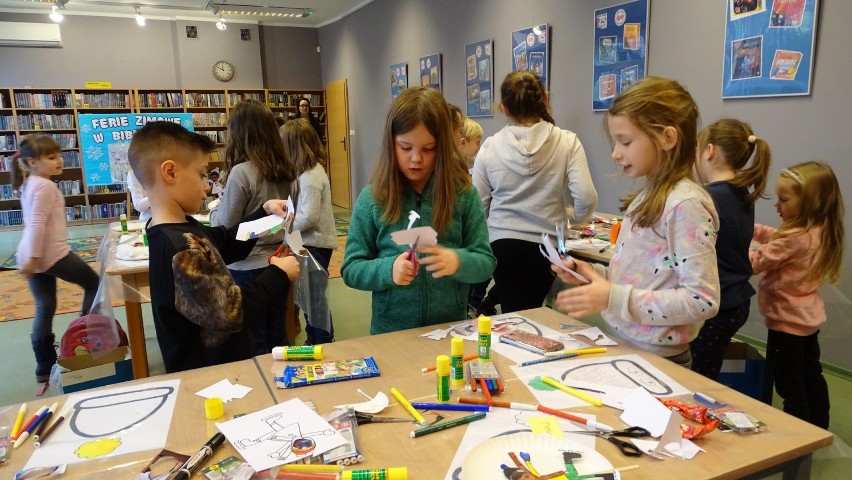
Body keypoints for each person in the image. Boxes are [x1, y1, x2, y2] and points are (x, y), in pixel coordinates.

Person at [553, 77, 720, 367]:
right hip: (624, 342)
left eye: (626, 141)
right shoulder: (648, 196)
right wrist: (591, 274)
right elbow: (642, 276)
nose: (616, 153)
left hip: (658, 359)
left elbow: (702, 300)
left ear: (667, 138)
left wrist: (613, 298)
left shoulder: (686, 204)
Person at [128, 121, 299, 373]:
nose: (207, 186)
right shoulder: (179, 249)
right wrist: (278, 274)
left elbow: (225, 242)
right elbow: (230, 311)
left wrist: (264, 216)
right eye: (201, 175)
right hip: (209, 376)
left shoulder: (181, 226)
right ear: (170, 173)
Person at [341, 87, 496, 334]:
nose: (416, 159)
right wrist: (388, 269)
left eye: (428, 148)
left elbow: (486, 262)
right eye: (405, 147)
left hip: (449, 332)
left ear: (443, 147)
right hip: (391, 334)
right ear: (391, 144)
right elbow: (351, 268)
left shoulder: (464, 194)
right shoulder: (372, 198)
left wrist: (459, 261)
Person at [472, 71, 598, 314]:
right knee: (530, 312)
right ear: (545, 100)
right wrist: (574, 219)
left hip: (503, 243)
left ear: (504, 108)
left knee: (518, 315)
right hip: (549, 245)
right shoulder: (567, 141)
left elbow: (479, 205)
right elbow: (586, 196)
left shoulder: (490, 146)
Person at [750, 161, 844, 429]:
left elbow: (757, 262)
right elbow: (778, 236)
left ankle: (798, 436)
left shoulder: (794, 239)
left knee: (789, 386)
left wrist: (739, 245)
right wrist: (753, 229)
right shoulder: (818, 229)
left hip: (786, 326)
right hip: (807, 323)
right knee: (811, 375)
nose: (776, 205)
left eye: (783, 199)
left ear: (809, 203)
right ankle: (818, 427)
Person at [210, 99, 299, 355]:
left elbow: (225, 227)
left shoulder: (242, 172)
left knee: (254, 338)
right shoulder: (288, 171)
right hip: (278, 261)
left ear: (240, 134)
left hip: (246, 265)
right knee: (279, 332)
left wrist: (215, 208)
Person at [12, 134, 100, 382]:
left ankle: (44, 365)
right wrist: (35, 257)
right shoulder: (46, 186)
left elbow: (32, 223)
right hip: (49, 254)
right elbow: (38, 222)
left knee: (45, 306)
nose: (59, 160)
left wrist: (30, 258)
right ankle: (82, 336)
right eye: (51, 157)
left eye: (59, 155)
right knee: (94, 283)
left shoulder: (29, 182)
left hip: (32, 253)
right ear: (31, 162)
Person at [689, 119, 771, 380]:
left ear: (709, 151)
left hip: (717, 306)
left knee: (696, 378)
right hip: (736, 300)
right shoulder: (741, 191)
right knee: (707, 369)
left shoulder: (709, 197)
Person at [281, 118, 337, 344]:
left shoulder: (310, 177)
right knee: (307, 296)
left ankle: (322, 338)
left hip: (315, 245)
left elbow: (310, 217)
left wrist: (285, 227)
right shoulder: (306, 172)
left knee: (314, 299)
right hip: (309, 244)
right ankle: (316, 336)